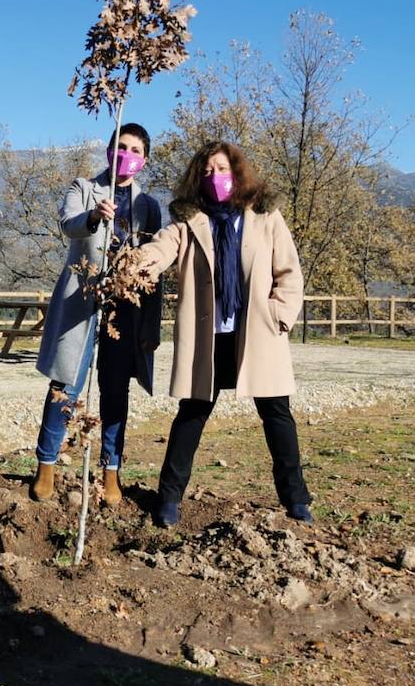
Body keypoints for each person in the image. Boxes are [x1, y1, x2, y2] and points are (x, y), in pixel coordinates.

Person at [135, 141, 313, 527]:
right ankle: (168, 500)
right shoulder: (188, 221)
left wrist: (279, 316)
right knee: (192, 414)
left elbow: (290, 272)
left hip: (258, 334)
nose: (215, 177)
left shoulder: (265, 216)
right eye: (207, 171)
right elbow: (162, 248)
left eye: (222, 169)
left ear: (237, 173)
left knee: (277, 415)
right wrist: (140, 262)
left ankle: (297, 499)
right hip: (209, 338)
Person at [32, 123, 163, 507]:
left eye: (136, 150)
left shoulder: (148, 207)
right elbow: (68, 226)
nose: (127, 154)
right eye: (121, 146)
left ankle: (111, 472)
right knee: (64, 384)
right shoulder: (83, 188)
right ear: (108, 150)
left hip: (124, 311)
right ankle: (46, 465)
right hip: (81, 304)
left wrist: (151, 324)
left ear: (145, 159)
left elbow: (154, 268)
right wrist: (93, 216)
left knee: (115, 390)